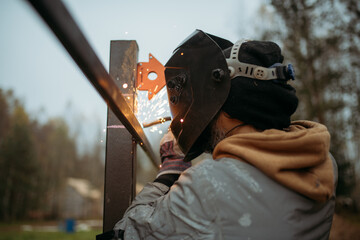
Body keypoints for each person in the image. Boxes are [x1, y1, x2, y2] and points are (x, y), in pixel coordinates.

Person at [112, 30, 337, 239]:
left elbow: (126, 231)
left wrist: (171, 168)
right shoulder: (325, 165)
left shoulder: (209, 186)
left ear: (226, 103)